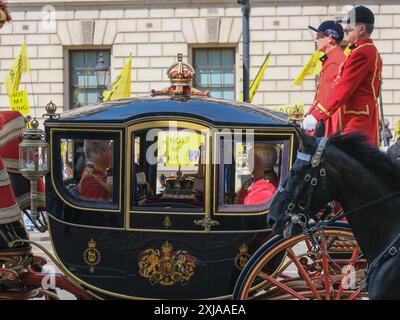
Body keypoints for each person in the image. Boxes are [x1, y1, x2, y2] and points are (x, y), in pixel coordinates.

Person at [303, 5, 382, 146]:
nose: (345, 29)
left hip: (356, 123)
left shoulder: (361, 53)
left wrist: (316, 115)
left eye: (349, 27)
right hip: (355, 121)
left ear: (361, 29)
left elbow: (343, 88)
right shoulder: (362, 51)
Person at [304, 20, 345, 137]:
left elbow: (326, 96)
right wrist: (309, 113)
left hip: (329, 121)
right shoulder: (331, 59)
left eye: (319, 36)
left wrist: (314, 115)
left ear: (330, 38)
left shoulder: (335, 61)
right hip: (324, 117)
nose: (315, 40)